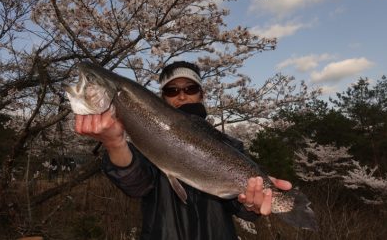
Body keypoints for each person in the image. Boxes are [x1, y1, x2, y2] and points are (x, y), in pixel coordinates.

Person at [75, 61, 292, 240]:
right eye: (172, 90)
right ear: (162, 98)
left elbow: (241, 207)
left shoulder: (231, 146)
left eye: (190, 88)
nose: (182, 95)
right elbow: (137, 186)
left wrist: (254, 203)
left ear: (201, 94)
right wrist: (115, 144)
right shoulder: (145, 142)